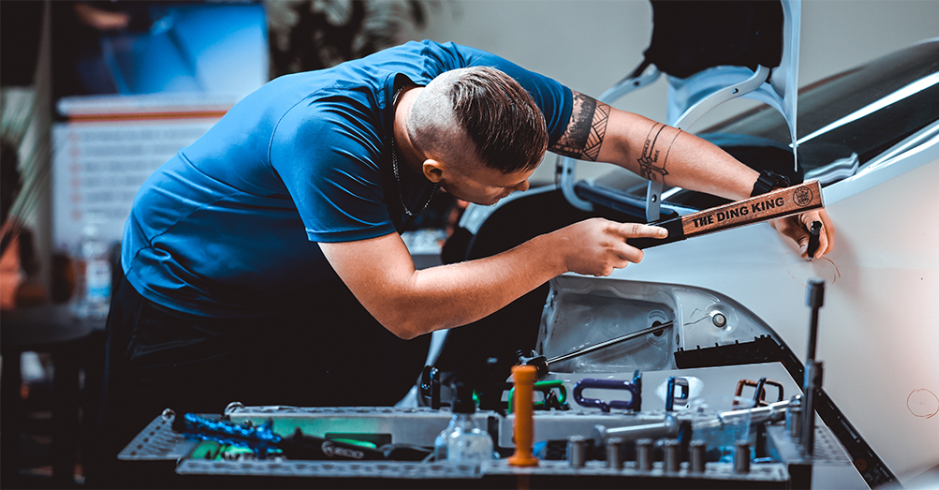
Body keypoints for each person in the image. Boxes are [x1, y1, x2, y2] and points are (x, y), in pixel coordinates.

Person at [94, 39, 834, 486]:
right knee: (168, 464)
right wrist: (553, 251)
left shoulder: (474, 87)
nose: (524, 189)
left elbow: (629, 140)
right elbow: (405, 305)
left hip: (307, 281)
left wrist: (766, 191)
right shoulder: (326, 139)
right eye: (507, 187)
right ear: (435, 173)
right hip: (187, 293)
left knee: (322, 440)